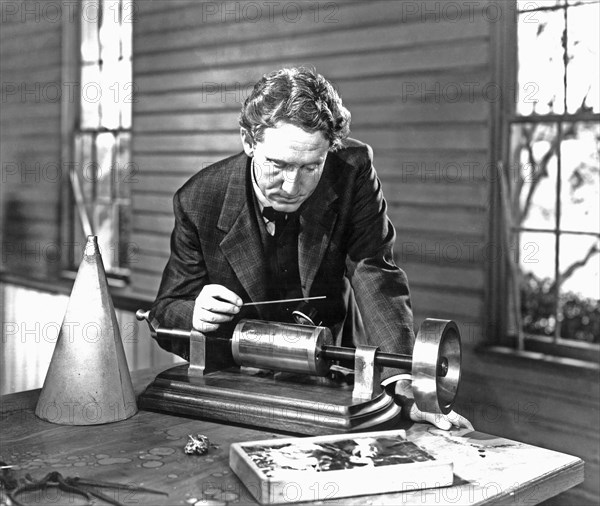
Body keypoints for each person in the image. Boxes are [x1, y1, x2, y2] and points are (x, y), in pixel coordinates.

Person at [150, 67, 472, 431]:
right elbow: (165, 311)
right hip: (237, 383)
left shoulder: (352, 171)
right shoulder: (199, 200)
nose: (291, 185)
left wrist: (405, 382)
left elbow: (374, 271)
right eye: (278, 165)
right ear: (248, 140)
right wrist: (195, 313)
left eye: (310, 167)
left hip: (332, 373)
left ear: (329, 150)